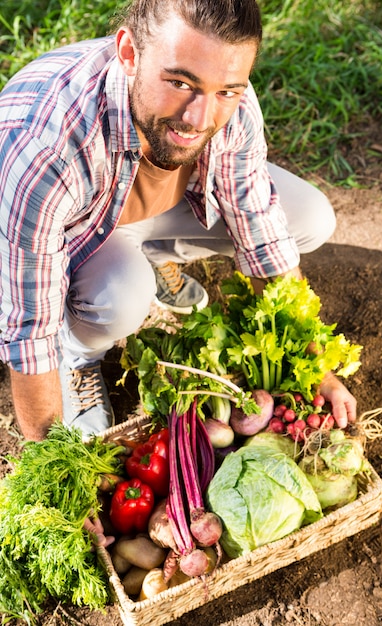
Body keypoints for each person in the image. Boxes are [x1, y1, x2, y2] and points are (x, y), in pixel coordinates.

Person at [0, 0, 356, 442]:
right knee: (121, 296)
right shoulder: (47, 151)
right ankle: (79, 355)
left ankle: (152, 254)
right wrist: (52, 462)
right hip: (73, 225)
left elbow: (261, 233)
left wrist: (311, 367)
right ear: (129, 53)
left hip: (145, 204)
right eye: (181, 82)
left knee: (308, 217)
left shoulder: (227, 103)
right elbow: (29, 331)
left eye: (226, 90)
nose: (200, 118)